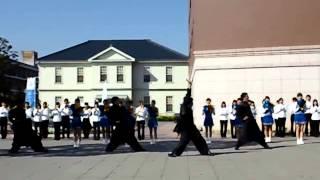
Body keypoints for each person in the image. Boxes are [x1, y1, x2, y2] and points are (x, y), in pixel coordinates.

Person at [169, 80, 213, 157]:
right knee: (183, 141)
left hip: (191, 128)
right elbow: (183, 116)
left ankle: (205, 151)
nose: (192, 104)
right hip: (186, 128)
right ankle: (175, 153)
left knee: (199, 139)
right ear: (188, 103)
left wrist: (189, 86)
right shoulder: (184, 108)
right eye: (191, 103)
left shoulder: (187, 104)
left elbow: (188, 94)